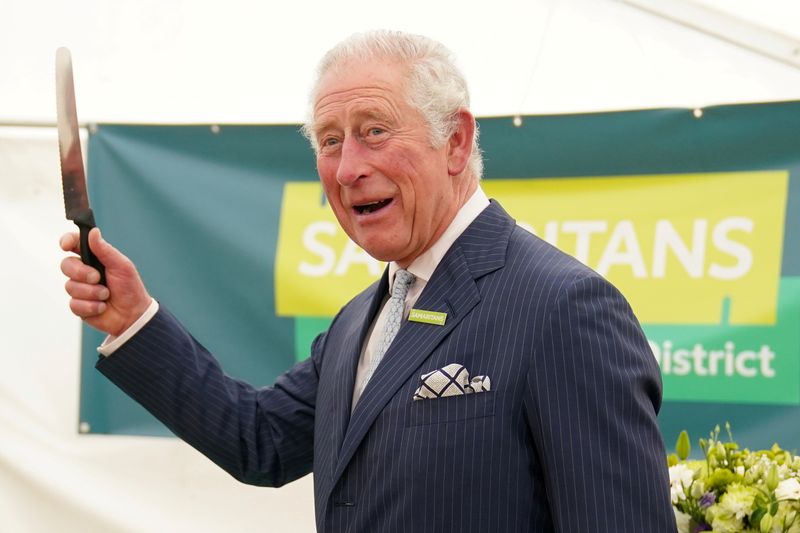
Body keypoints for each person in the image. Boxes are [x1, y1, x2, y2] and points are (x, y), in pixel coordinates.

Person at [61, 30, 676, 532]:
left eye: (374, 131)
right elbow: (260, 440)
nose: (348, 168)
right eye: (330, 141)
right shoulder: (360, 319)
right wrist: (133, 320)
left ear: (455, 141)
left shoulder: (564, 307)